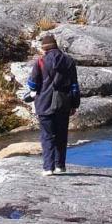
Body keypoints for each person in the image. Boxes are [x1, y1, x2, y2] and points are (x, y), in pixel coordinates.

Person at [25, 34, 80, 176]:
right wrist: (74, 104)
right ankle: (60, 165)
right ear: (56, 45)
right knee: (61, 135)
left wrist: (32, 92)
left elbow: (33, 83)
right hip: (63, 103)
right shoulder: (69, 61)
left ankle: (48, 168)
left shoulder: (40, 62)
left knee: (47, 136)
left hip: (44, 103)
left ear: (44, 48)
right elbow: (74, 85)